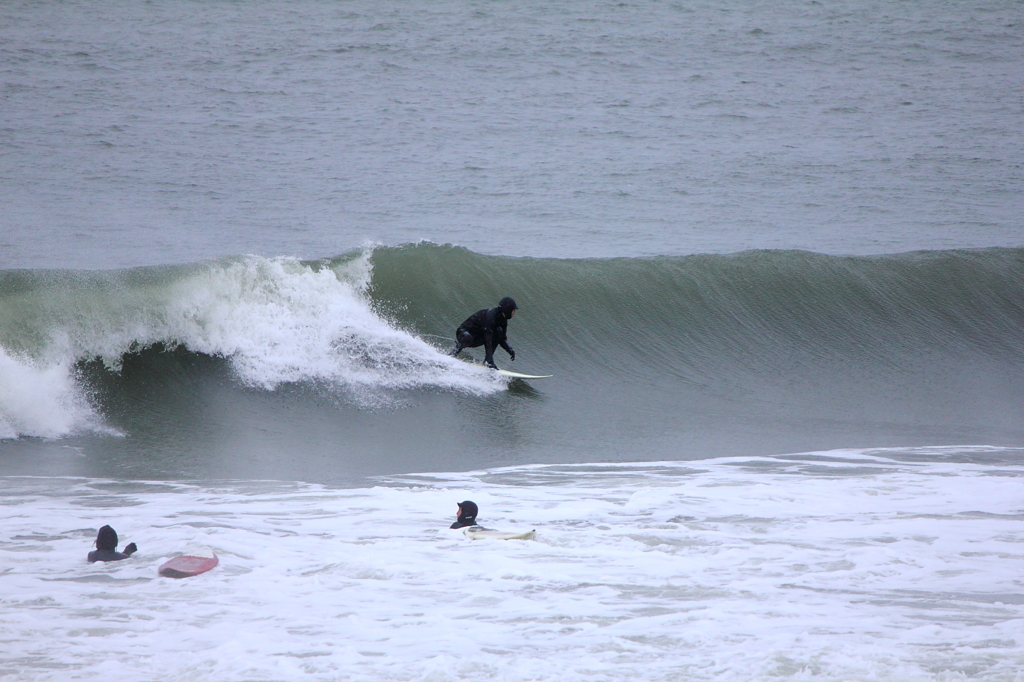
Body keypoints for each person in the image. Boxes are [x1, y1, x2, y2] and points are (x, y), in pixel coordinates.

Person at [450, 296, 518, 369]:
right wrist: (490, 359)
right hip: (463, 334)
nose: (514, 312)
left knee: (499, 331)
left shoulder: (503, 320)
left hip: (476, 338)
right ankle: (453, 354)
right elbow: (488, 339)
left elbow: (502, 339)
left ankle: (486, 362)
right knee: (468, 337)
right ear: (507, 309)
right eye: (513, 310)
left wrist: (510, 350)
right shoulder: (491, 316)